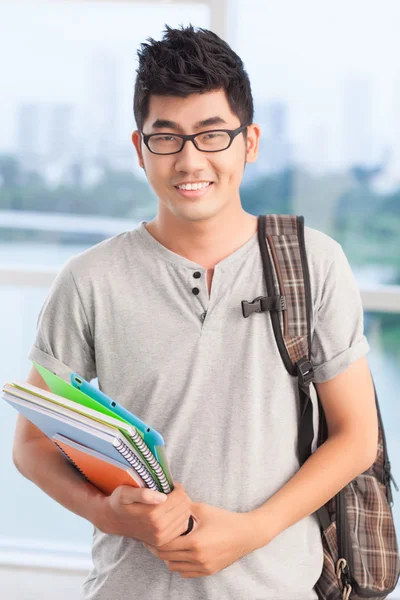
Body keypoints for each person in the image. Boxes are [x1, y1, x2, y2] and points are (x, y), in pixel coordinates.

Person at [12, 24, 378, 600]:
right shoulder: (88, 280)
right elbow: (32, 447)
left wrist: (251, 531)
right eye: (167, 137)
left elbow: (357, 438)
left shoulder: (316, 262)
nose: (189, 161)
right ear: (140, 149)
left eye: (212, 135)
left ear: (248, 142)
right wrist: (109, 514)